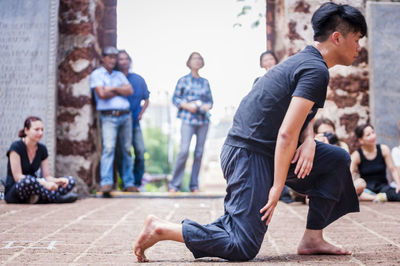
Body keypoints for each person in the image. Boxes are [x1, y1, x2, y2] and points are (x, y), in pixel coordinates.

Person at [134, 2, 367, 262]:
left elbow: (299, 116)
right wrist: (277, 187)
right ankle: (162, 229)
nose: (359, 47)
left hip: (266, 151)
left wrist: (310, 140)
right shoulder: (315, 70)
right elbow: (287, 135)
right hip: (248, 154)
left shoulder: (307, 62)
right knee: (242, 246)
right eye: (357, 39)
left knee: (337, 159)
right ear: (337, 38)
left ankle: (312, 238)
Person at [90, 46, 135, 194]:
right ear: (103, 58)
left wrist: (111, 88)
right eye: (109, 57)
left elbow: (129, 91)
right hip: (109, 116)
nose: (112, 60)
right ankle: (106, 183)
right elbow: (101, 94)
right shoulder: (97, 74)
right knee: (108, 148)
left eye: (114, 57)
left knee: (127, 150)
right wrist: (118, 90)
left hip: (125, 115)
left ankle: (128, 183)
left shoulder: (119, 75)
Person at [4, 117, 77, 204]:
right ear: (26, 130)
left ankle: (38, 198)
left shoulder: (42, 149)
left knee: (70, 180)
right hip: (17, 190)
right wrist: (44, 184)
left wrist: (58, 180)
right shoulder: (16, 147)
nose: (40, 133)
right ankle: (54, 198)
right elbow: (18, 177)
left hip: (36, 185)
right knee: (27, 181)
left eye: (42, 129)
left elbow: (46, 176)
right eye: (37, 130)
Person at [168, 52, 213, 193]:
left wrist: (206, 106)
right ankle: (174, 185)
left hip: (203, 120)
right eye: (194, 58)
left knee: (199, 153)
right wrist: (187, 106)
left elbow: (210, 102)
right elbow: (175, 99)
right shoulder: (183, 81)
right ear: (189, 62)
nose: (197, 61)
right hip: (187, 119)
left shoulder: (205, 82)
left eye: (200, 58)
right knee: (183, 151)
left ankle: (194, 185)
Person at [115, 50, 150, 192]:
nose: (123, 61)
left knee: (140, 151)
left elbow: (146, 99)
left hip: (135, 123)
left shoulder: (138, 79)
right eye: (120, 59)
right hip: (120, 122)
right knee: (124, 152)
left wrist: (141, 114)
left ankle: (136, 182)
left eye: (126, 59)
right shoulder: (115, 78)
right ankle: (127, 183)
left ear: (129, 61)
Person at [350, 124, 400, 202]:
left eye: (373, 132)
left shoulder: (384, 149)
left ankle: (379, 197)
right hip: (366, 190)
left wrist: (398, 184)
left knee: (397, 193)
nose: (373, 136)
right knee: (354, 193)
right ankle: (377, 197)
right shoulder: (356, 155)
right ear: (361, 140)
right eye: (368, 135)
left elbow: (392, 169)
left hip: (383, 188)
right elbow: (348, 173)